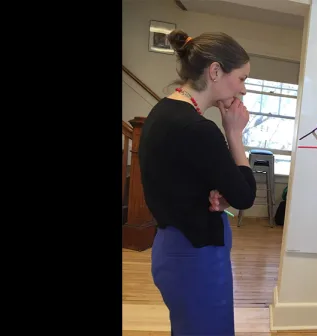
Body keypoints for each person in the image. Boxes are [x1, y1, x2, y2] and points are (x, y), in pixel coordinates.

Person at [138, 29, 257, 336]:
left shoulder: (163, 112)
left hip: (174, 250)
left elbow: (184, 180)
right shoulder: (198, 128)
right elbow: (245, 196)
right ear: (215, 71)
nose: (243, 90)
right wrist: (234, 134)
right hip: (195, 258)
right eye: (242, 78)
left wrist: (220, 193)